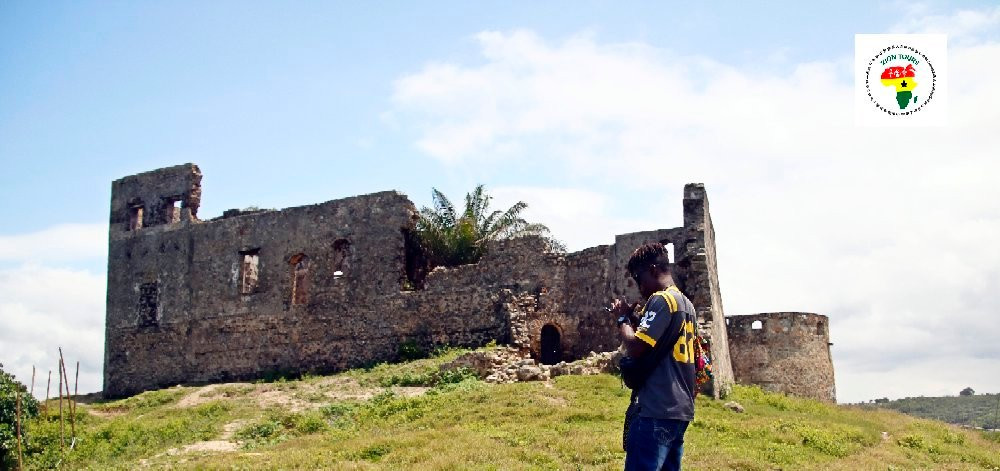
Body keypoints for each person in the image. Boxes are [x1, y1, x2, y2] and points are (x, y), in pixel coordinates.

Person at [609, 242, 697, 471]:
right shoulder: (686, 305)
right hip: (680, 411)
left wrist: (622, 320)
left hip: (656, 408)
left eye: (639, 278)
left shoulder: (660, 300)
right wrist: (637, 321)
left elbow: (636, 347)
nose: (640, 287)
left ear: (654, 270)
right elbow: (660, 341)